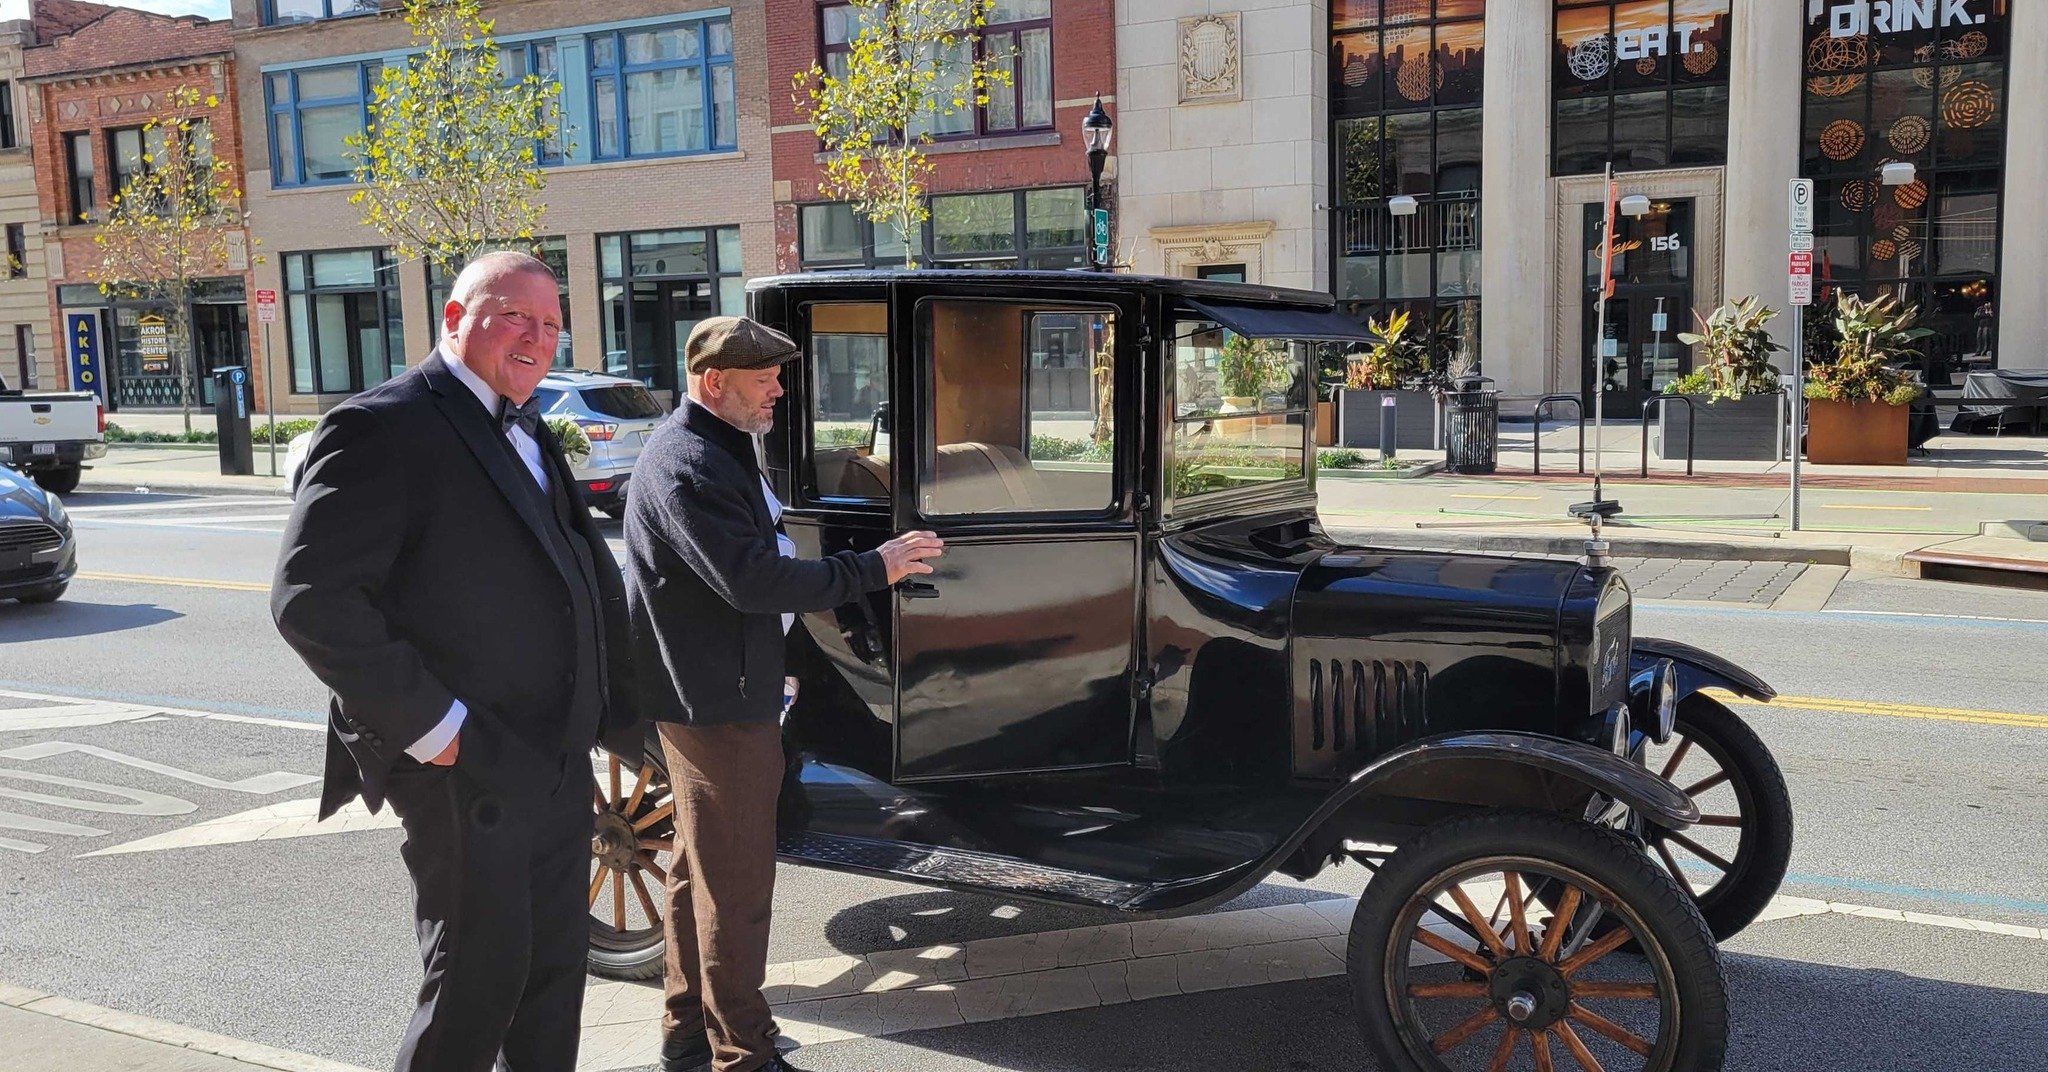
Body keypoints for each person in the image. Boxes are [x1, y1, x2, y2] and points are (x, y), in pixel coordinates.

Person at [272, 250, 636, 1072]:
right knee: (476, 985)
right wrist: (439, 731)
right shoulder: (382, 426)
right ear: (453, 318)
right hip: (464, 767)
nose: (536, 338)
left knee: (552, 981)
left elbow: (571, 576)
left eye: (549, 324)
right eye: (514, 316)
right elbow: (311, 601)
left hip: (552, 756)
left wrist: (621, 709)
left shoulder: (528, 422)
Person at [625, 316, 941, 1072]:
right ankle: (744, 1053)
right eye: (763, 380)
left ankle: (688, 1034)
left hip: (726, 692)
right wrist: (879, 565)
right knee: (734, 887)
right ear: (714, 383)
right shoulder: (687, 464)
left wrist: (782, 661)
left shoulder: (720, 451)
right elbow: (755, 580)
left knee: (696, 873)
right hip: (717, 708)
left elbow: (753, 567)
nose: (778, 391)